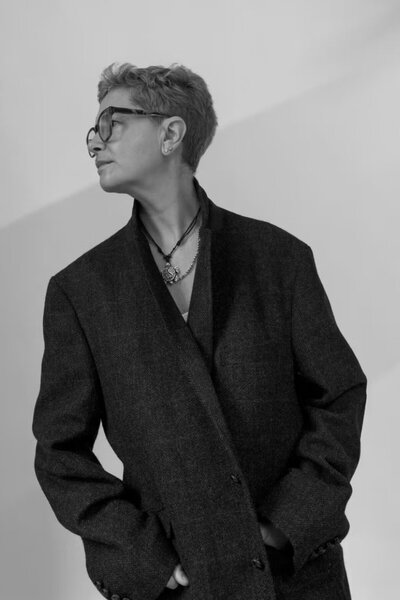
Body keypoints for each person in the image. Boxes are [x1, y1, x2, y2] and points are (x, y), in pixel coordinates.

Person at [32, 62, 367, 600]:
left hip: (295, 580)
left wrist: (290, 521)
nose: (94, 141)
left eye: (112, 122)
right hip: (181, 584)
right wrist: (142, 557)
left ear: (171, 133)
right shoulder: (82, 291)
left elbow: (339, 394)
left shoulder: (277, 259)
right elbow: (59, 452)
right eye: (93, 129)